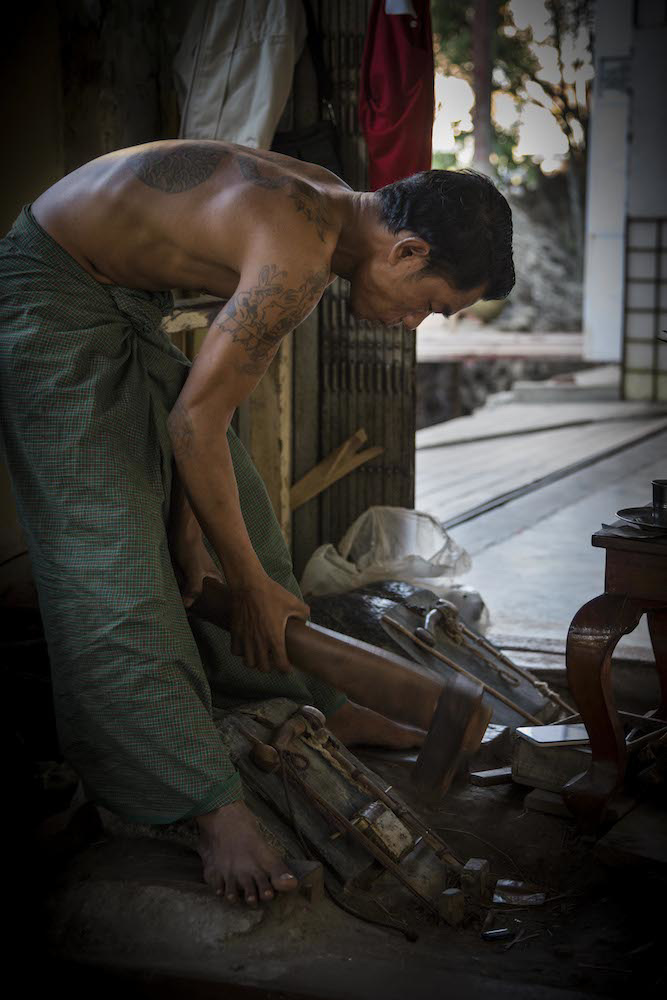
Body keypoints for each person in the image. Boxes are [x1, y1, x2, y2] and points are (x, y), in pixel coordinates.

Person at [0, 141, 514, 906]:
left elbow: (194, 431)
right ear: (406, 250)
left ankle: (326, 707)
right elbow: (193, 428)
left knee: (245, 529)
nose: (414, 324)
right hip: (49, 298)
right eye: (432, 305)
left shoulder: (336, 210)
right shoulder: (296, 248)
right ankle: (206, 806)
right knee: (112, 569)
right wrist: (241, 587)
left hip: (121, 303)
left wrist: (214, 548)